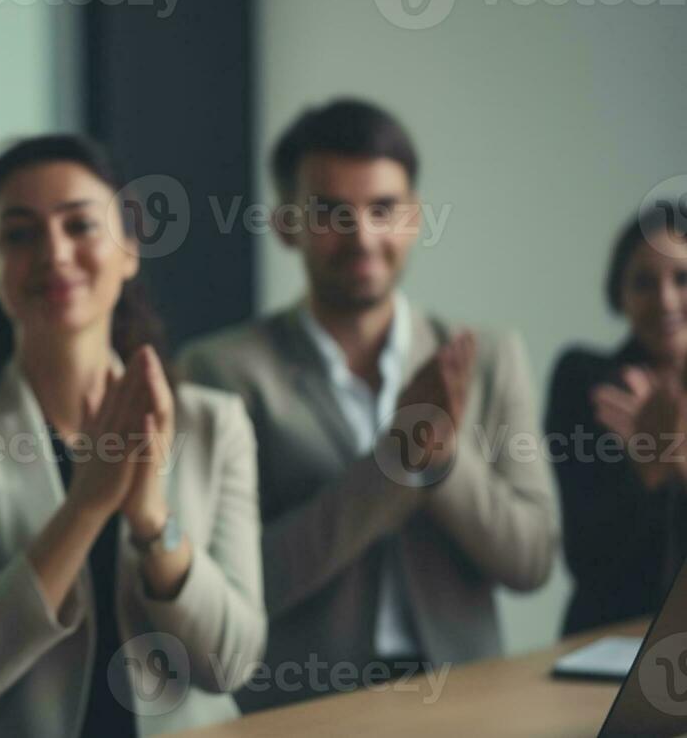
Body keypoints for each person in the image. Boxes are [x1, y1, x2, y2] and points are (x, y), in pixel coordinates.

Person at [176, 98, 558, 712]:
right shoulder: (219, 372)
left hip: (470, 701)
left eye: (384, 209)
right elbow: (239, 586)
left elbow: (532, 560)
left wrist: (439, 457)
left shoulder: (488, 358)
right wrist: (396, 461)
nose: (362, 235)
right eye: (331, 212)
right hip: (304, 712)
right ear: (285, 224)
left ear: (415, 219)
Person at [0, 135, 265, 736]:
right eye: (19, 234)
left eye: (80, 225)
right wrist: (86, 507)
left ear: (130, 251)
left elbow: (233, 662)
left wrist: (149, 519)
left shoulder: (214, 424)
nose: (55, 253)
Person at [548, 203, 687, 634]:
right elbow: (585, 555)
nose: (665, 299)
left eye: (682, 278)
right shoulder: (588, 382)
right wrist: (648, 473)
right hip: (610, 645)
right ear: (619, 293)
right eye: (644, 282)